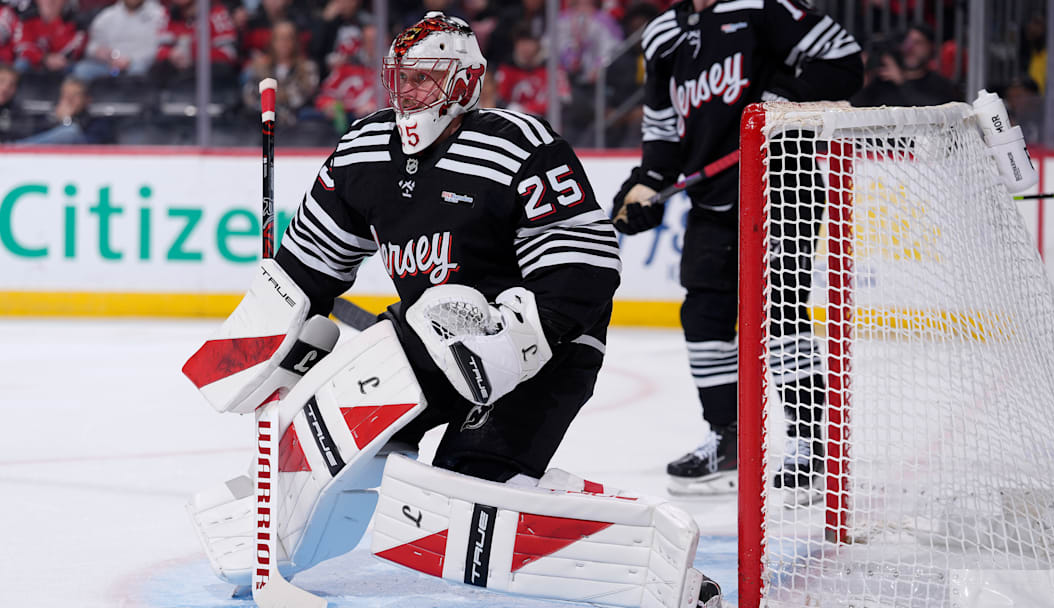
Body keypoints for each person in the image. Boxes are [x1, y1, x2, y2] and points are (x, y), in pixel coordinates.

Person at [183, 11, 722, 608]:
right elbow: (308, 265)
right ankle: (268, 544)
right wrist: (263, 345)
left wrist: (515, 340)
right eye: (400, 78)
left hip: (546, 347)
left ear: (463, 83)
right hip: (426, 337)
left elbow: (586, 270)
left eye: (423, 79)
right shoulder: (363, 150)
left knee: (464, 500)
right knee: (321, 429)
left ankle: (646, 560)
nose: (406, 92)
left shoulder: (521, 145)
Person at [612, 0, 862, 497]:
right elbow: (662, 129)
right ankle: (727, 439)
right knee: (703, 318)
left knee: (781, 315)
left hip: (782, 184)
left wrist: (778, 102)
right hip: (712, 202)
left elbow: (843, 59)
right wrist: (646, 188)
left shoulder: (761, 8)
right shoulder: (661, 33)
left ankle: (813, 445)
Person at [71, 0, 165, 81]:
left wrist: (130, 61)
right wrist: (97, 52)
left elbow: (158, 47)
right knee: (82, 69)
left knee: (138, 70)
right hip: (109, 64)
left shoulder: (158, 15)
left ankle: (134, 100)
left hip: (140, 64)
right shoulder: (107, 16)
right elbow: (91, 47)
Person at [18, 76, 113, 144]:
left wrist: (66, 120)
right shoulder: (46, 119)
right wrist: (57, 120)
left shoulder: (97, 123)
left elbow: (86, 146)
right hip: (42, 162)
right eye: (65, 94)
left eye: (75, 95)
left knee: (70, 132)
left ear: (87, 99)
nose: (69, 99)